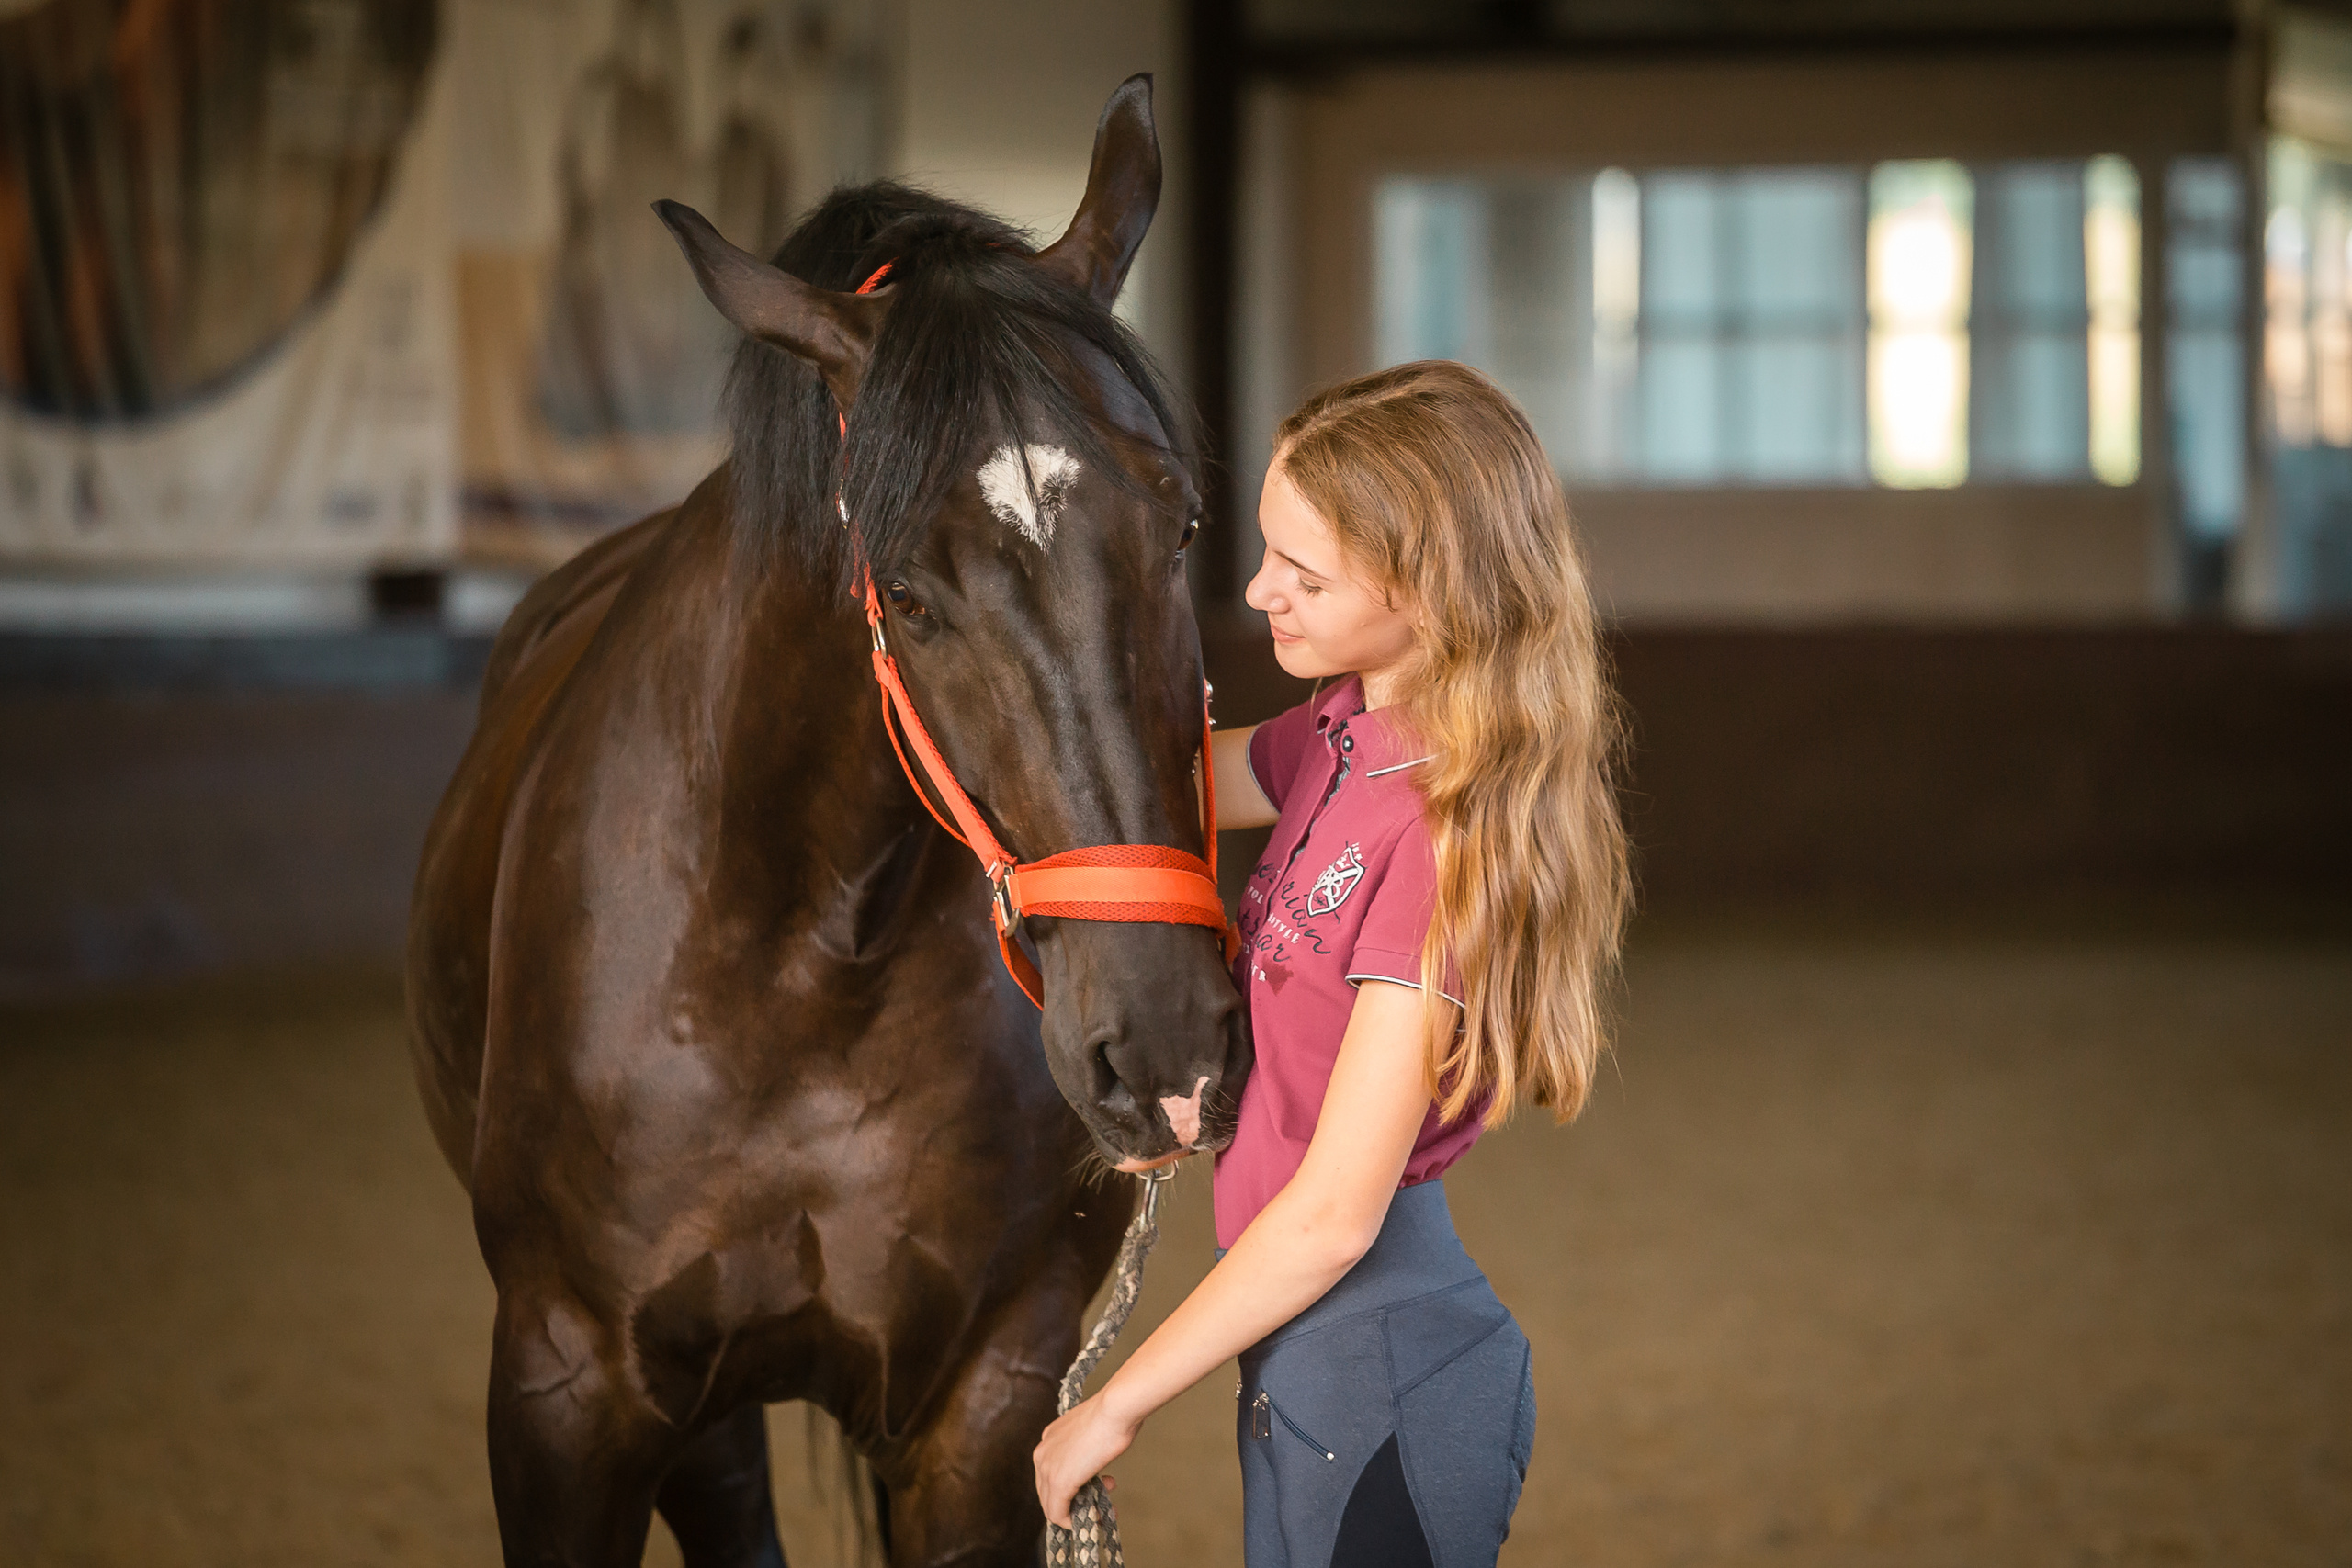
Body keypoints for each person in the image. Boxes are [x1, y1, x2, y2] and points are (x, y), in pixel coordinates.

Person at [1033, 359, 1631, 1565]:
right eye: (1266, 554)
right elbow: (1167, 786)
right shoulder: (1340, 734)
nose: (1263, 592)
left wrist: (1114, 1406)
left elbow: (1332, 1219)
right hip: (1313, 1364)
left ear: (1432, 593)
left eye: (1305, 577)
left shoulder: (1443, 840)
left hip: (1385, 1370)